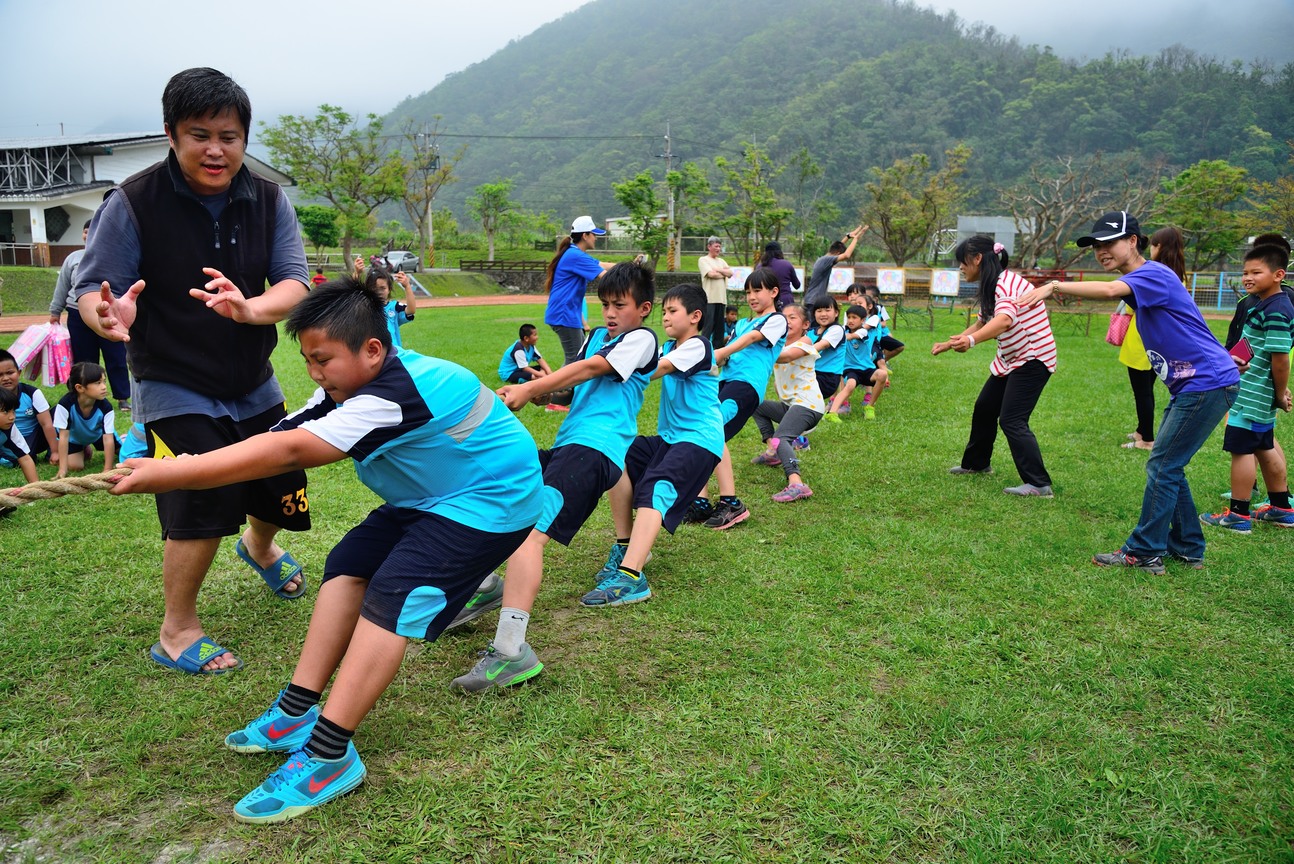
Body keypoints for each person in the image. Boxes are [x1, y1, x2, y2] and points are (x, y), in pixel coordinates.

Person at [109, 277, 544, 823]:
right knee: (346, 567)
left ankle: (329, 753)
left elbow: (291, 449)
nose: (314, 374)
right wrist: (186, 463)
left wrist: (178, 475)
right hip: (429, 498)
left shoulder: (396, 394)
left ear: (372, 349)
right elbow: (287, 430)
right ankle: (297, 712)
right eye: (308, 360)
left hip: (489, 504)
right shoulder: (347, 386)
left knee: (396, 594)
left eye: (323, 360)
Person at [74, 67, 312, 673]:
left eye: (228, 136)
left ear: (244, 138)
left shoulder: (268, 198)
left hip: (253, 378)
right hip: (172, 381)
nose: (215, 149)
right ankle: (177, 631)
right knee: (202, 495)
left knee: (280, 480)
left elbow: (295, 282)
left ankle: (259, 549)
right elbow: (93, 293)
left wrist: (251, 307)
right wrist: (109, 313)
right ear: (171, 135)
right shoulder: (131, 202)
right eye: (199, 134)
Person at [452, 262, 658, 690]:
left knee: (530, 537)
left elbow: (591, 370)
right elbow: (571, 383)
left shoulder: (642, 339)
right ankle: (487, 586)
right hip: (570, 444)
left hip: (594, 450)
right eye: (604, 305)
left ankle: (510, 652)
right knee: (498, 504)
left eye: (620, 305)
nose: (610, 313)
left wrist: (529, 388)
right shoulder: (600, 336)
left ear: (645, 309)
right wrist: (525, 393)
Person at [1020, 211, 1240, 572]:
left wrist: (1053, 286)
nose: (1101, 251)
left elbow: (1108, 291)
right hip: (1196, 384)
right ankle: (1187, 547)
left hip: (1206, 382)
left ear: (1133, 241)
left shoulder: (1151, 272)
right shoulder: (1143, 280)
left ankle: (1144, 550)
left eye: (1109, 242)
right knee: (1170, 464)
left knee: (1163, 464)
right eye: (1095, 246)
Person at [585, 283, 723, 606]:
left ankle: (632, 578)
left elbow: (654, 369)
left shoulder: (698, 346)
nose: (665, 318)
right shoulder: (670, 345)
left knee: (657, 486)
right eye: (663, 312)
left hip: (699, 440)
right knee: (617, 457)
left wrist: (613, 363)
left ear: (695, 316)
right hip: (671, 439)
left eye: (672, 311)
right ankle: (626, 546)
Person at [934, 236, 1056, 496]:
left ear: (977, 259)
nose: (961, 268)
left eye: (962, 263)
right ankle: (977, 465)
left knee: (1012, 419)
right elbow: (981, 323)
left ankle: (1038, 483)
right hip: (1011, 359)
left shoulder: (1006, 284)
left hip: (1033, 359)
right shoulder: (993, 284)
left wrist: (970, 341)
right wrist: (951, 342)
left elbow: (1002, 321)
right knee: (985, 408)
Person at [1199, 244, 1293, 531]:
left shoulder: (1277, 309)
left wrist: (1279, 393)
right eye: (1244, 272)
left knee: (1242, 450)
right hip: (1257, 393)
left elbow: (1281, 359)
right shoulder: (1263, 304)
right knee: (1264, 446)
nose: (1247, 278)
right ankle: (1281, 508)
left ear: (1278, 275)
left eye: (1256, 272)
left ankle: (1238, 515)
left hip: (1252, 393)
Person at [685, 268, 788, 529]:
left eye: (757, 290)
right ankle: (700, 502)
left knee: (713, 429)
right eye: (748, 292)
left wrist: (720, 351)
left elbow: (753, 339)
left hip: (745, 387)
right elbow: (738, 345)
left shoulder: (777, 320)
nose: (752, 296)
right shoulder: (742, 323)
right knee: (703, 433)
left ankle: (731, 503)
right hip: (725, 383)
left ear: (774, 292)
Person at [49, 220, 132, 413]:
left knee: (116, 356)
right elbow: (62, 286)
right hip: (77, 315)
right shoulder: (73, 258)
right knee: (85, 359)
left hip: (109, 313)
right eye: (86, 231)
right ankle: (85, 394)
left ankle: (122, 398)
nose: (89, 234)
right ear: (83, 234)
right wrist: (55, 310)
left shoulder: (115, 255)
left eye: (93, 230)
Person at [1119, 228, 1187, 451]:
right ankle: (1141, 429)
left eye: (1153, 246)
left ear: (1159, 248)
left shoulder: (1152, 275)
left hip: (1141, 342)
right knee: (1146, 388)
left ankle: (1146, 439)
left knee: (1142, 393)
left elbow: (1131, 306)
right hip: (1160, 343)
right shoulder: (1178, 275)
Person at [750, 304, 823, 502]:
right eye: (784, 318)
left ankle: (796, 483)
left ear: (806, 324)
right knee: (755, 405)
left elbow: (787, 357)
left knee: (783, 437)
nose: (787, 321)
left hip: (808, 405)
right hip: (790, 405)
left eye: (793, 318)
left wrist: (755, 345)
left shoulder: (804, 344)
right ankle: (773, 451)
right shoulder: (778, 346)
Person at [543, 216, 616, 409]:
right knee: (575, 359)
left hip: (567, 315)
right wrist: (628, 275)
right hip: (564, 315)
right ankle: (552, 398)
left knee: (575, 358)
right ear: (585, 235)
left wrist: (628, 266)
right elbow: (604, 275)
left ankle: (555, 396)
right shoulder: (575, 256)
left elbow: (603, 265)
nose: (596, 238)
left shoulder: (575, 253)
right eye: (594, 235)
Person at [826, 301, 890, 421]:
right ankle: (832, 413)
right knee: (850, 385)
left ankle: (870, 407)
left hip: (867, 369)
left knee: (882, 374)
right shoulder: (843, 330)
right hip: (850, 369)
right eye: (849, 317)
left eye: (854, 318)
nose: (850, 320)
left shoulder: (863, 332)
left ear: (863, 320)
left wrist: (836, 337)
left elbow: (851, 336)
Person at [53, 361, 117, 478]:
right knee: (76, 466)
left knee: (123, 453)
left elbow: (108, 439)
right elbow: (63, 437)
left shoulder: (106, 407)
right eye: (98, 383)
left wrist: (107, 469)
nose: (104, 387)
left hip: (98, 435)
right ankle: (84, 448)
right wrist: (62, 470)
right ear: (80, 388)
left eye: (104, 381)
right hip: (75, 439)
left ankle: (122, 438)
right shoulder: (65, 404)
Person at [0, 348, 58, 463]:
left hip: (34, 439)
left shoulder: (32, 393)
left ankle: (55, 450)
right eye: (0, 375)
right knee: (12, 461)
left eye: (10, 373)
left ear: (19, 372)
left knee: (59, 411)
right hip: (6, 440)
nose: (6, 378)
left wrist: (55, 451)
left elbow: (46, 424)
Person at [804, 225, 866, 307]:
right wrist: (856, 239)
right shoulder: (826, 260)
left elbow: (838, 247)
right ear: (837, 254)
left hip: (811, 299)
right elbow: (846, 255)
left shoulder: (823, 259)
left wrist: (848, 237)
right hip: (813, 301)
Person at [697, 236, 735, 348]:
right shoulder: (703, 260)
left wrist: (718, 270)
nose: (718, 248)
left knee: (719, 328)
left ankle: (717, 353)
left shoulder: (721, 261)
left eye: (719, 246)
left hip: (721, 299)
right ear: (709, 247)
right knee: (708, 326)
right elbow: (710, 275)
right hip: (709, 299)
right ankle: (703, 349)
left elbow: (730, 273)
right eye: (716, 246)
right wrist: (723, 273)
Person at [808, 295, 846, 404]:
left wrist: (793, 354)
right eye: (819, 311)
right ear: (814, 314)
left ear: (836, 313)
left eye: (827, 310)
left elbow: (822, 345)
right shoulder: (811, 332)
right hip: (810, 373)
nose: (823, 314)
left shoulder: (837, 330)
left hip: (827, 377)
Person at [365, 265, 413, 349]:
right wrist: (357, 273)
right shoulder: (363, 308)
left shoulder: (394, 307)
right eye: (374, 288)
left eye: (382, 288)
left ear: (389, 289)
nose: (378, 292)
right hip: (373, 354)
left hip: (394, 355)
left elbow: (411, 310)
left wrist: (407, 286)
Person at [0, 387, 40, 487]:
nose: (12, 417)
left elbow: (25, 458)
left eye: (13, 411)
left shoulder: (10, 429)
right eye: (5, 411)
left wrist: (36, 487)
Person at [863, 284, 905, 362]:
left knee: (896, 344)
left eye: (868, 297)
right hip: (868, 335)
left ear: (875, 299)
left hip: (880, 334)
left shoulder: (879, 308)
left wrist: (873, 325)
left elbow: (884, 324)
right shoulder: (860, 309)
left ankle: (882, 361)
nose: (865, 299)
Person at [759, 241, 800, 310]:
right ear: (779, 252)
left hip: (766, 300)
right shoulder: (786, 264)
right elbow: (797, 285)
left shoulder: (759, 267)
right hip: (785, 301)